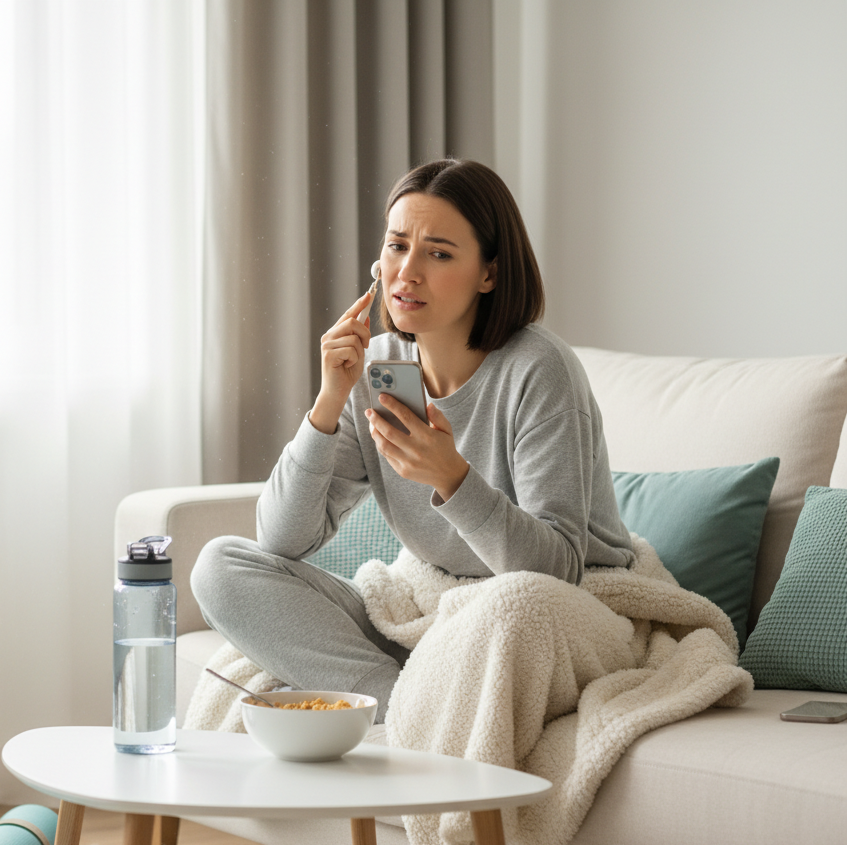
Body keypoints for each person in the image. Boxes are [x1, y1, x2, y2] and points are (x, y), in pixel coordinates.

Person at [191, 158, 633, 721]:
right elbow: (281, 542)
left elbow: (556, 574)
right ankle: (403, 704)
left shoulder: (538, 369)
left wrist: (453, 478)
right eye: (397, 246)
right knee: (219, 566)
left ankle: (407, 702)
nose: (408, 272)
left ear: (489, 273)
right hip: (436, 611)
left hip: (545, 617)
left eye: (439, 253)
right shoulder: (380, 370)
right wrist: (328, 403)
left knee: (512, 607)